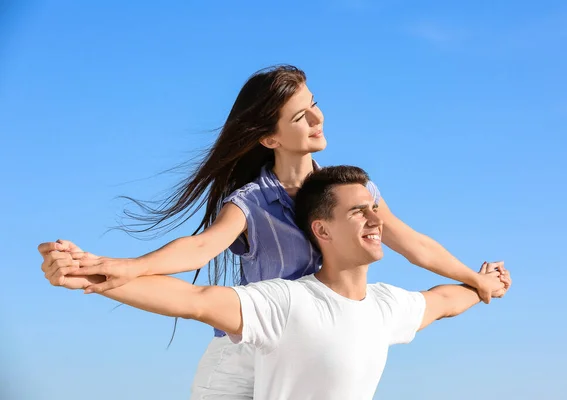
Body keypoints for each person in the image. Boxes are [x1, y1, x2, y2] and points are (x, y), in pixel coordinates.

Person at [38, 65, 504, 399]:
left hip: (310, 342)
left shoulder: (347, 194)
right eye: (301, 117)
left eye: (315, 106)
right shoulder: (253, 201)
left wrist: (476, 279)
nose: (318, 119)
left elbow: (415, 244)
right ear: (269, 138)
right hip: (247, 352)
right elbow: (201, 249)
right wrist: (124, 268)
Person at [42, 166, 511, 400]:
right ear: (322, 231)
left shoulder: (387, 307)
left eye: (375, 208)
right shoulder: (287, 303)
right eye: (358, 210)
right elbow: (193, 297)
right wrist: (94, 272)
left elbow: (443, 300)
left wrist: (482, 285)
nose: (376, 217)